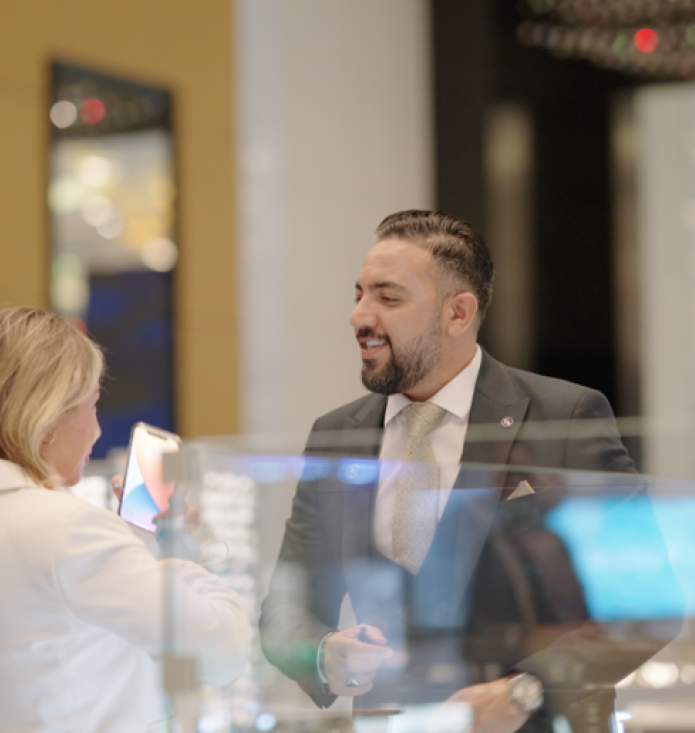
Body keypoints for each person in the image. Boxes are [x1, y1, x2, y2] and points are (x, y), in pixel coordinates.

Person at [260, 211, 656, 733]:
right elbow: (285, 611)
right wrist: (320, 653)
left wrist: (527, 691)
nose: (360, 316)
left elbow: (646, 604)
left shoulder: (564, 417)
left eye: (388, 298)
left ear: (458, 313)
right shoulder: (337, 435)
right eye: (358, 295)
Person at [0, 307, 250, 732]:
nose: (97, 430)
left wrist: (136, 546)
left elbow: (62, 632)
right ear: (49, 415)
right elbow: (223, 654)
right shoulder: (70, 529)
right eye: (93, 404)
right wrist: (178, 550)